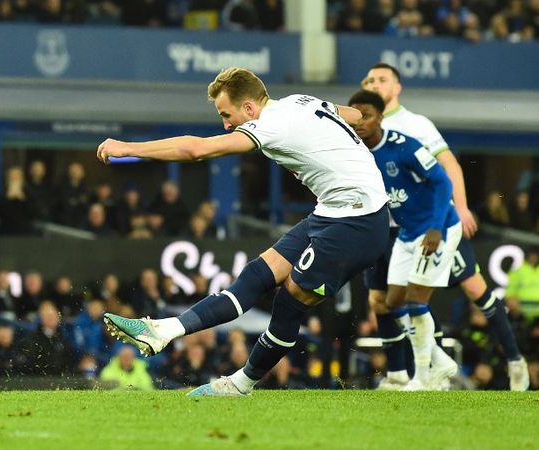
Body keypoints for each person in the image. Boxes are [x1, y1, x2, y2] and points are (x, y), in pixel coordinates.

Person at [99, 67, 390, 396]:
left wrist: (128, 148)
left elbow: (196, 150)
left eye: (227, 114)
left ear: (250, 108)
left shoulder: (269, 126)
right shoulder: (299, 101)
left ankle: (240, 385)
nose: (225, 124)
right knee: (257, 274)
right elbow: (351, 114)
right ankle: (162, 331)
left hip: (359, 222)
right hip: (333, 212)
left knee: (290, 300)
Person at [361, 62, 528, 390]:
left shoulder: (415, 124)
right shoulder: (361, 128)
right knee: (381, 300)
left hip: (432, 221)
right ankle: (400, 373)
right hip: (389, 226)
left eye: (382, 79)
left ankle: (514, 360)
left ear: (398, 88)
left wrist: (462, 207)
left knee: (473, 289)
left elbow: (447, 165)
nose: (374, 83)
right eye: (369, 80)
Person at [349, 90, 462, 390]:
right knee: (392, 301)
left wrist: (436, 228)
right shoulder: (354, 153)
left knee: (415, 300)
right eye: (354, 116)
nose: (360, 123)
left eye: (367, 116)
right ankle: (439, 360)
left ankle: (423, 377)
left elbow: (442, 181)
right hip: (407, 232)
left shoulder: (404, 147)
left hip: (438, 229)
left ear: (380, 118)